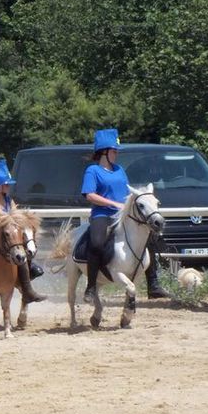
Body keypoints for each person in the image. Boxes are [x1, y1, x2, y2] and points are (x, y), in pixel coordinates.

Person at [80, 128, 132, 303]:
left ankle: (153, 283)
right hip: (102, 214)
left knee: (150, 236)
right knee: (96, 244)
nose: (116, 154)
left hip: (122, 215)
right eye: (114, 151)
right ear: (104, 152)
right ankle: (91, 287)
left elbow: (127, 192)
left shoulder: (120, 170)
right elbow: (89, 194)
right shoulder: (93, 171)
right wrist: (112, 203)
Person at [0, 157, 46, 304]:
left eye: (8, 185)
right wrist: (11, 217)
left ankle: (27, 283)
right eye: (6, 185)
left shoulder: (8, 198)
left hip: (9, 228)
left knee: (25, 243)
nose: (8, 187)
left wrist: (21, 217)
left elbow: (15, 210)